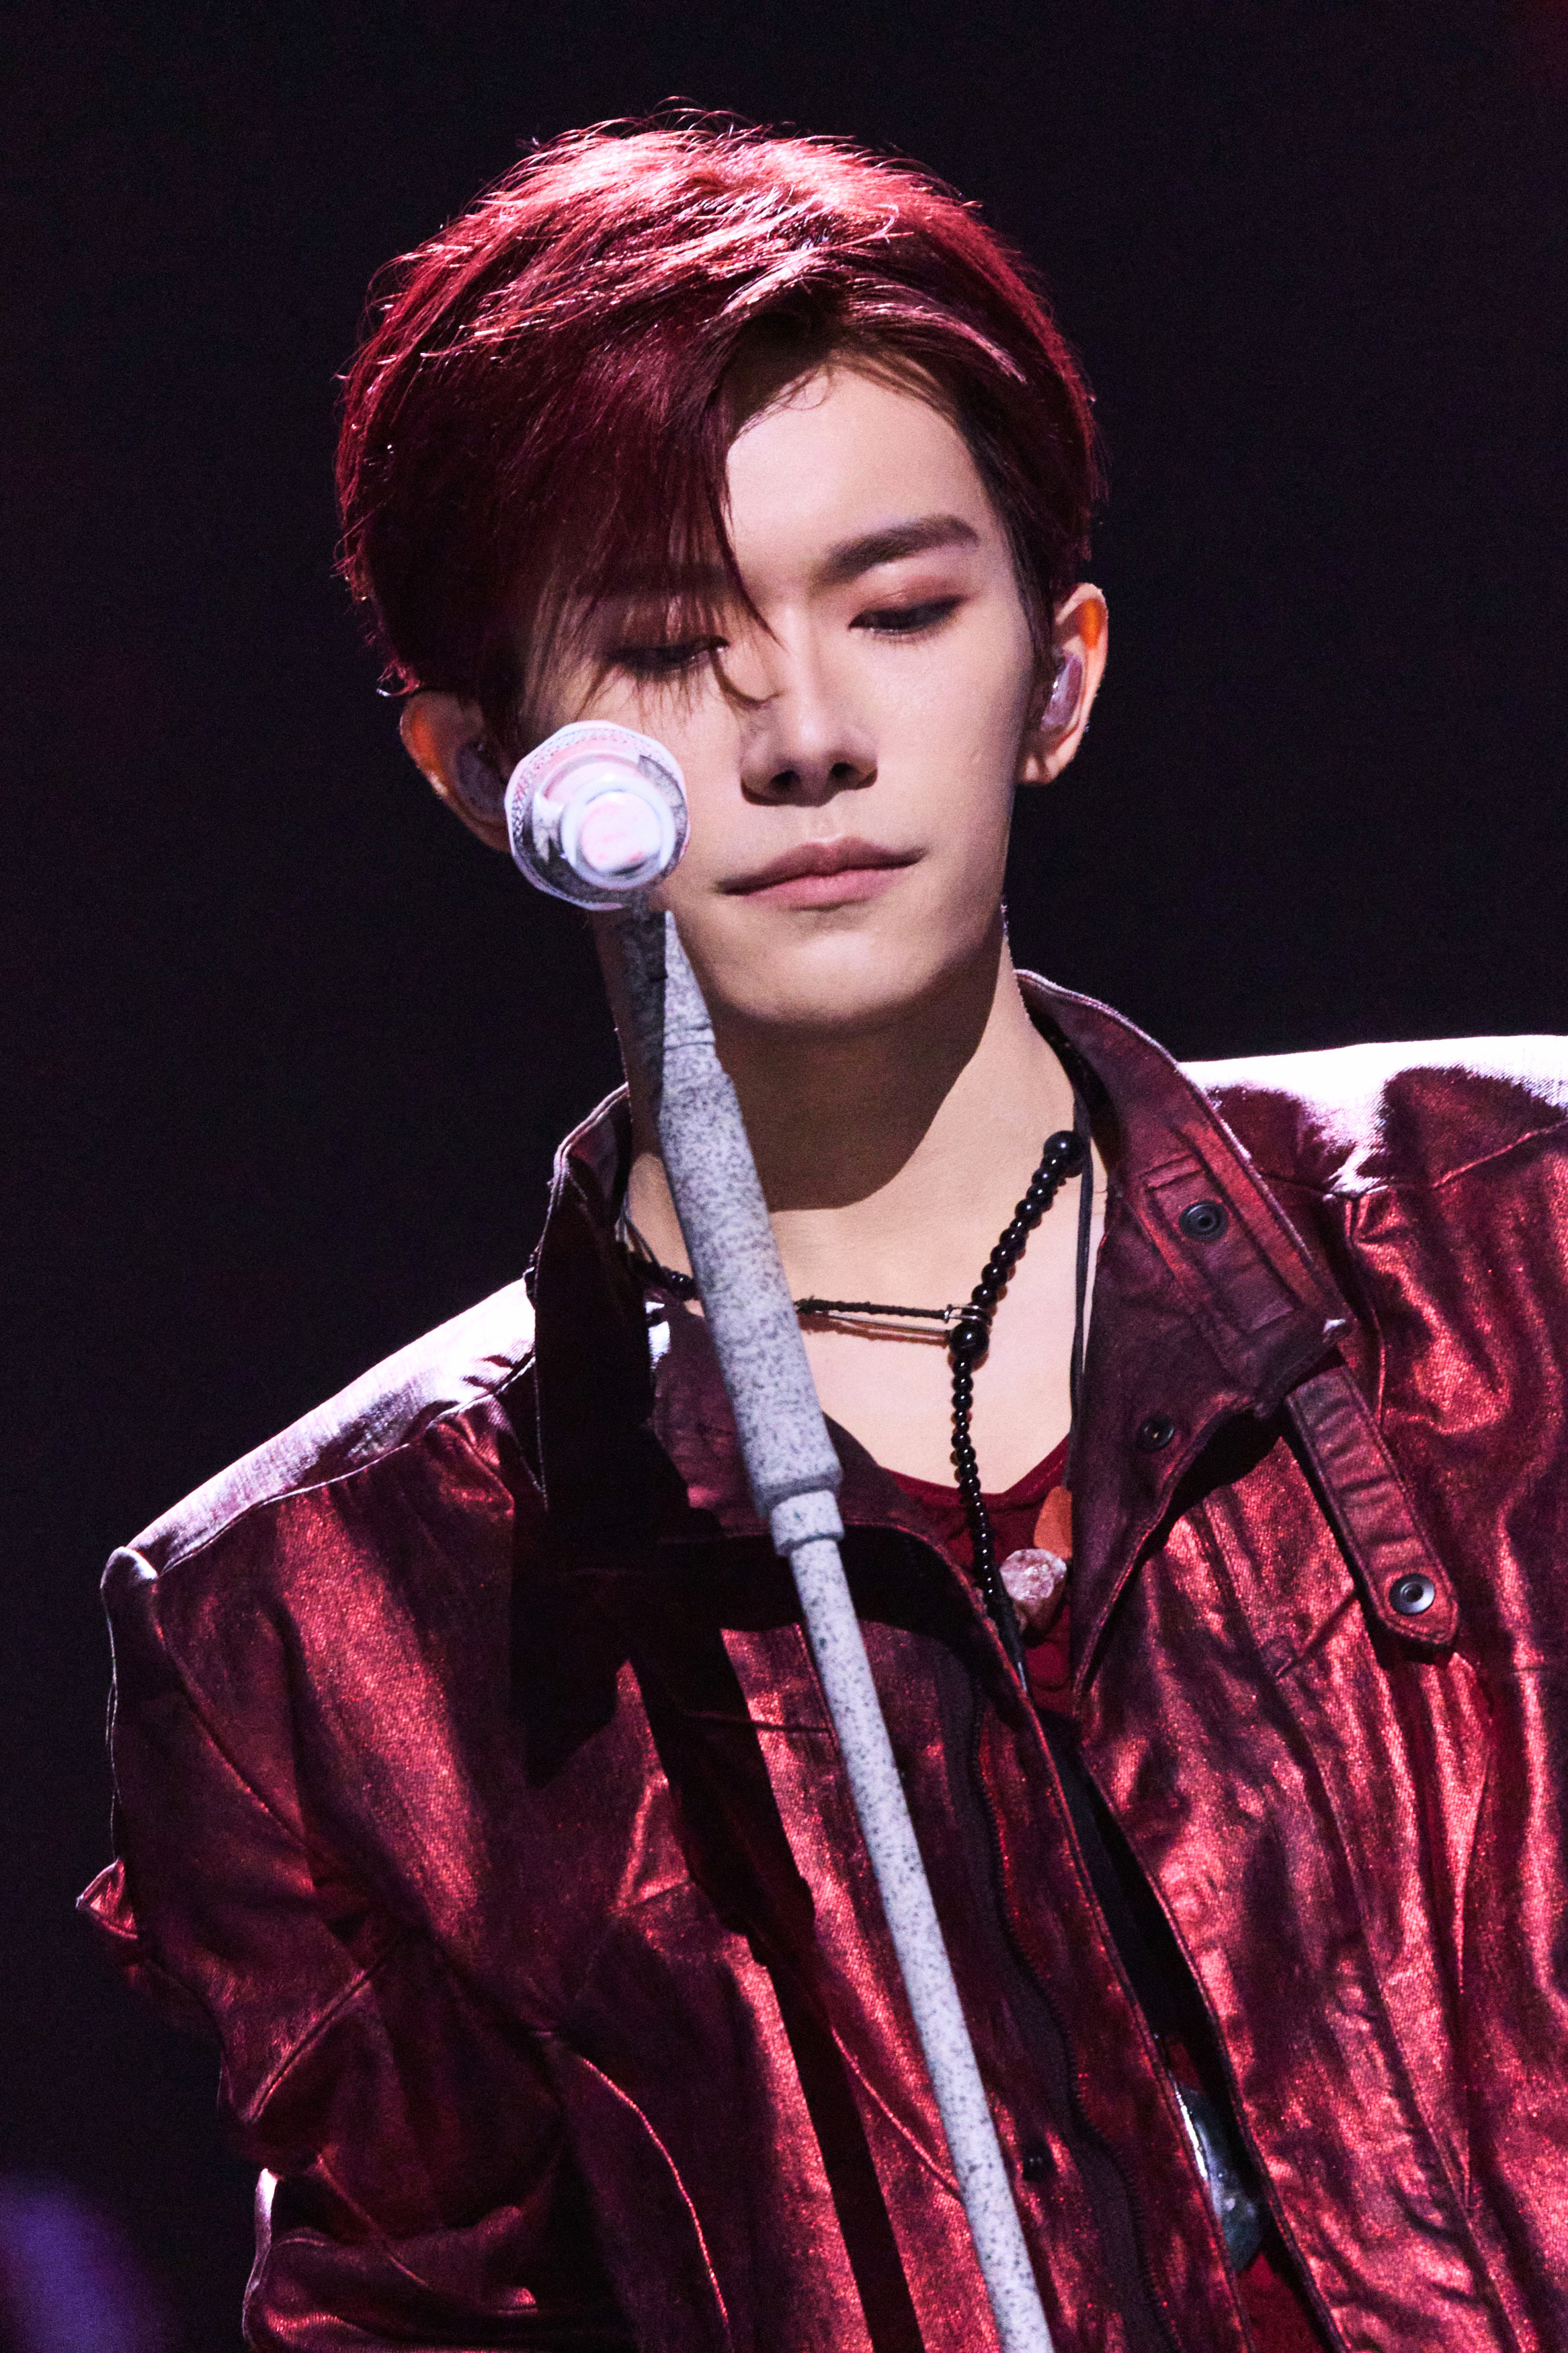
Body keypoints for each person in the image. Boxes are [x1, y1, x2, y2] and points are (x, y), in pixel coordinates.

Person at [79, 121, 1568, 2353]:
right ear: (480, 769)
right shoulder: (327, 1618)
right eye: (672, 645)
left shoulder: (1523, 1237)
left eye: (900, 610)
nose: (804, 734)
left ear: (1058, 673)